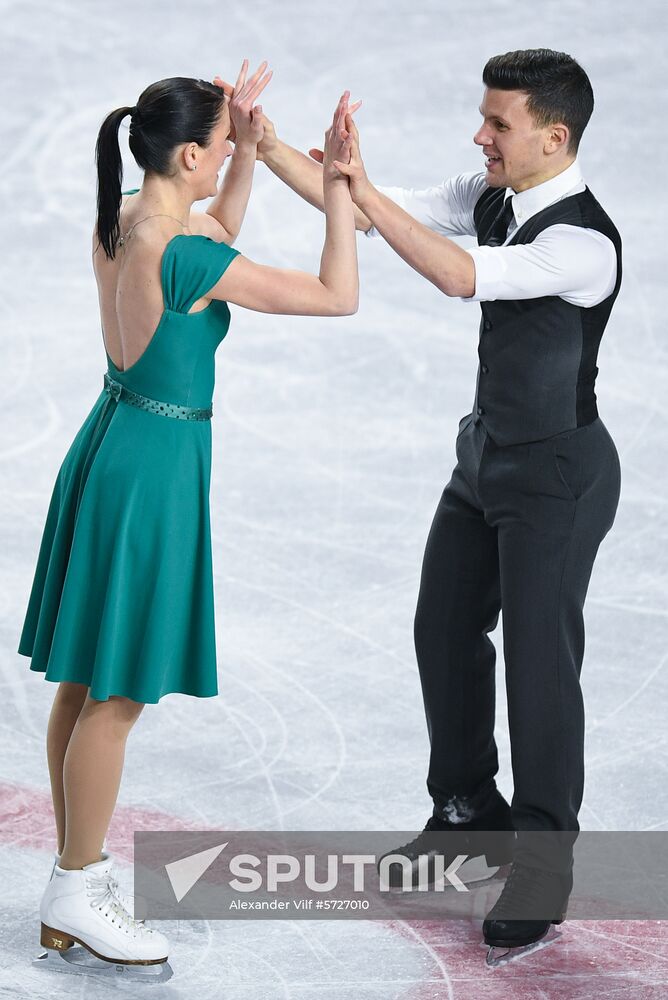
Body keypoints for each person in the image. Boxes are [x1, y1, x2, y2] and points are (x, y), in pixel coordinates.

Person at [245, 47, 622, 962]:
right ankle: (465, 815)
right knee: (441, 625)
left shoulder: (583, 243)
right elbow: (377, 209)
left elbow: (457, 274)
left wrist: (358, 190)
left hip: (558, 475)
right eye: (483, 118)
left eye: (499, 123)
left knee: (539, 661)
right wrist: (266, 149)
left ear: (553, 135)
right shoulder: (491, 195)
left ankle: (542, 860)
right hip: (485, 456)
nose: (480, 134)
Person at [18, 60, 358, 980]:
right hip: (155, 473)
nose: (222, 167)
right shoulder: (190, 252)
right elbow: (338, 295)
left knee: (85, 680)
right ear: (188, 153)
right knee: (118, 693)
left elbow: (212, 233)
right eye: (216, 153)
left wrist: (245, 150)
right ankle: (77, 886)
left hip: (109, 443)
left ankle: (71, 880)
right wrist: (336, 193)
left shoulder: (132, 215)